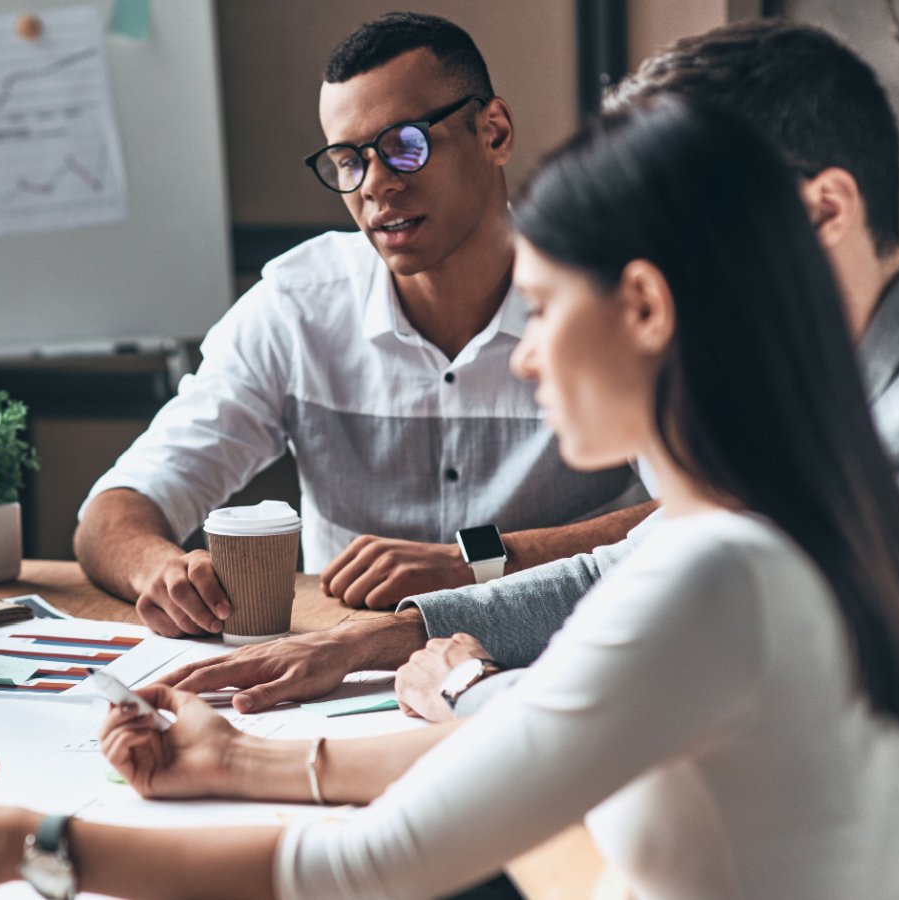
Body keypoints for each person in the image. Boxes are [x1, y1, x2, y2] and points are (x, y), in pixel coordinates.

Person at [0, 97, 899, 900]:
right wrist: (244, 756)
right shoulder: (795, 521)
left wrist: (27, 846)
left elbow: (373, 866)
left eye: (546, 311)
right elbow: (542, 737)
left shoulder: (711, 574)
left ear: (642, 307)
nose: (533, 359)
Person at [163, 19, 899, 720]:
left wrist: (469, 690)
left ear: (824, 213)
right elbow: (633, 567)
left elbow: (705, 718)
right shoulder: (823, 398)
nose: (647, 275)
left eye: (679, 224)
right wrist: (377, 641)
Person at [74, 12, 651, 639]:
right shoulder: (296, 308)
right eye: (348, 160)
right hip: (334, 674)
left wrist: (477, 560)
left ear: (495, 132)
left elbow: (705, 511)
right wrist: (160, 571)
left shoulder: (600, 297)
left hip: (561, 655)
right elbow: (114, 512)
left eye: (406, 144)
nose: (375, 186)